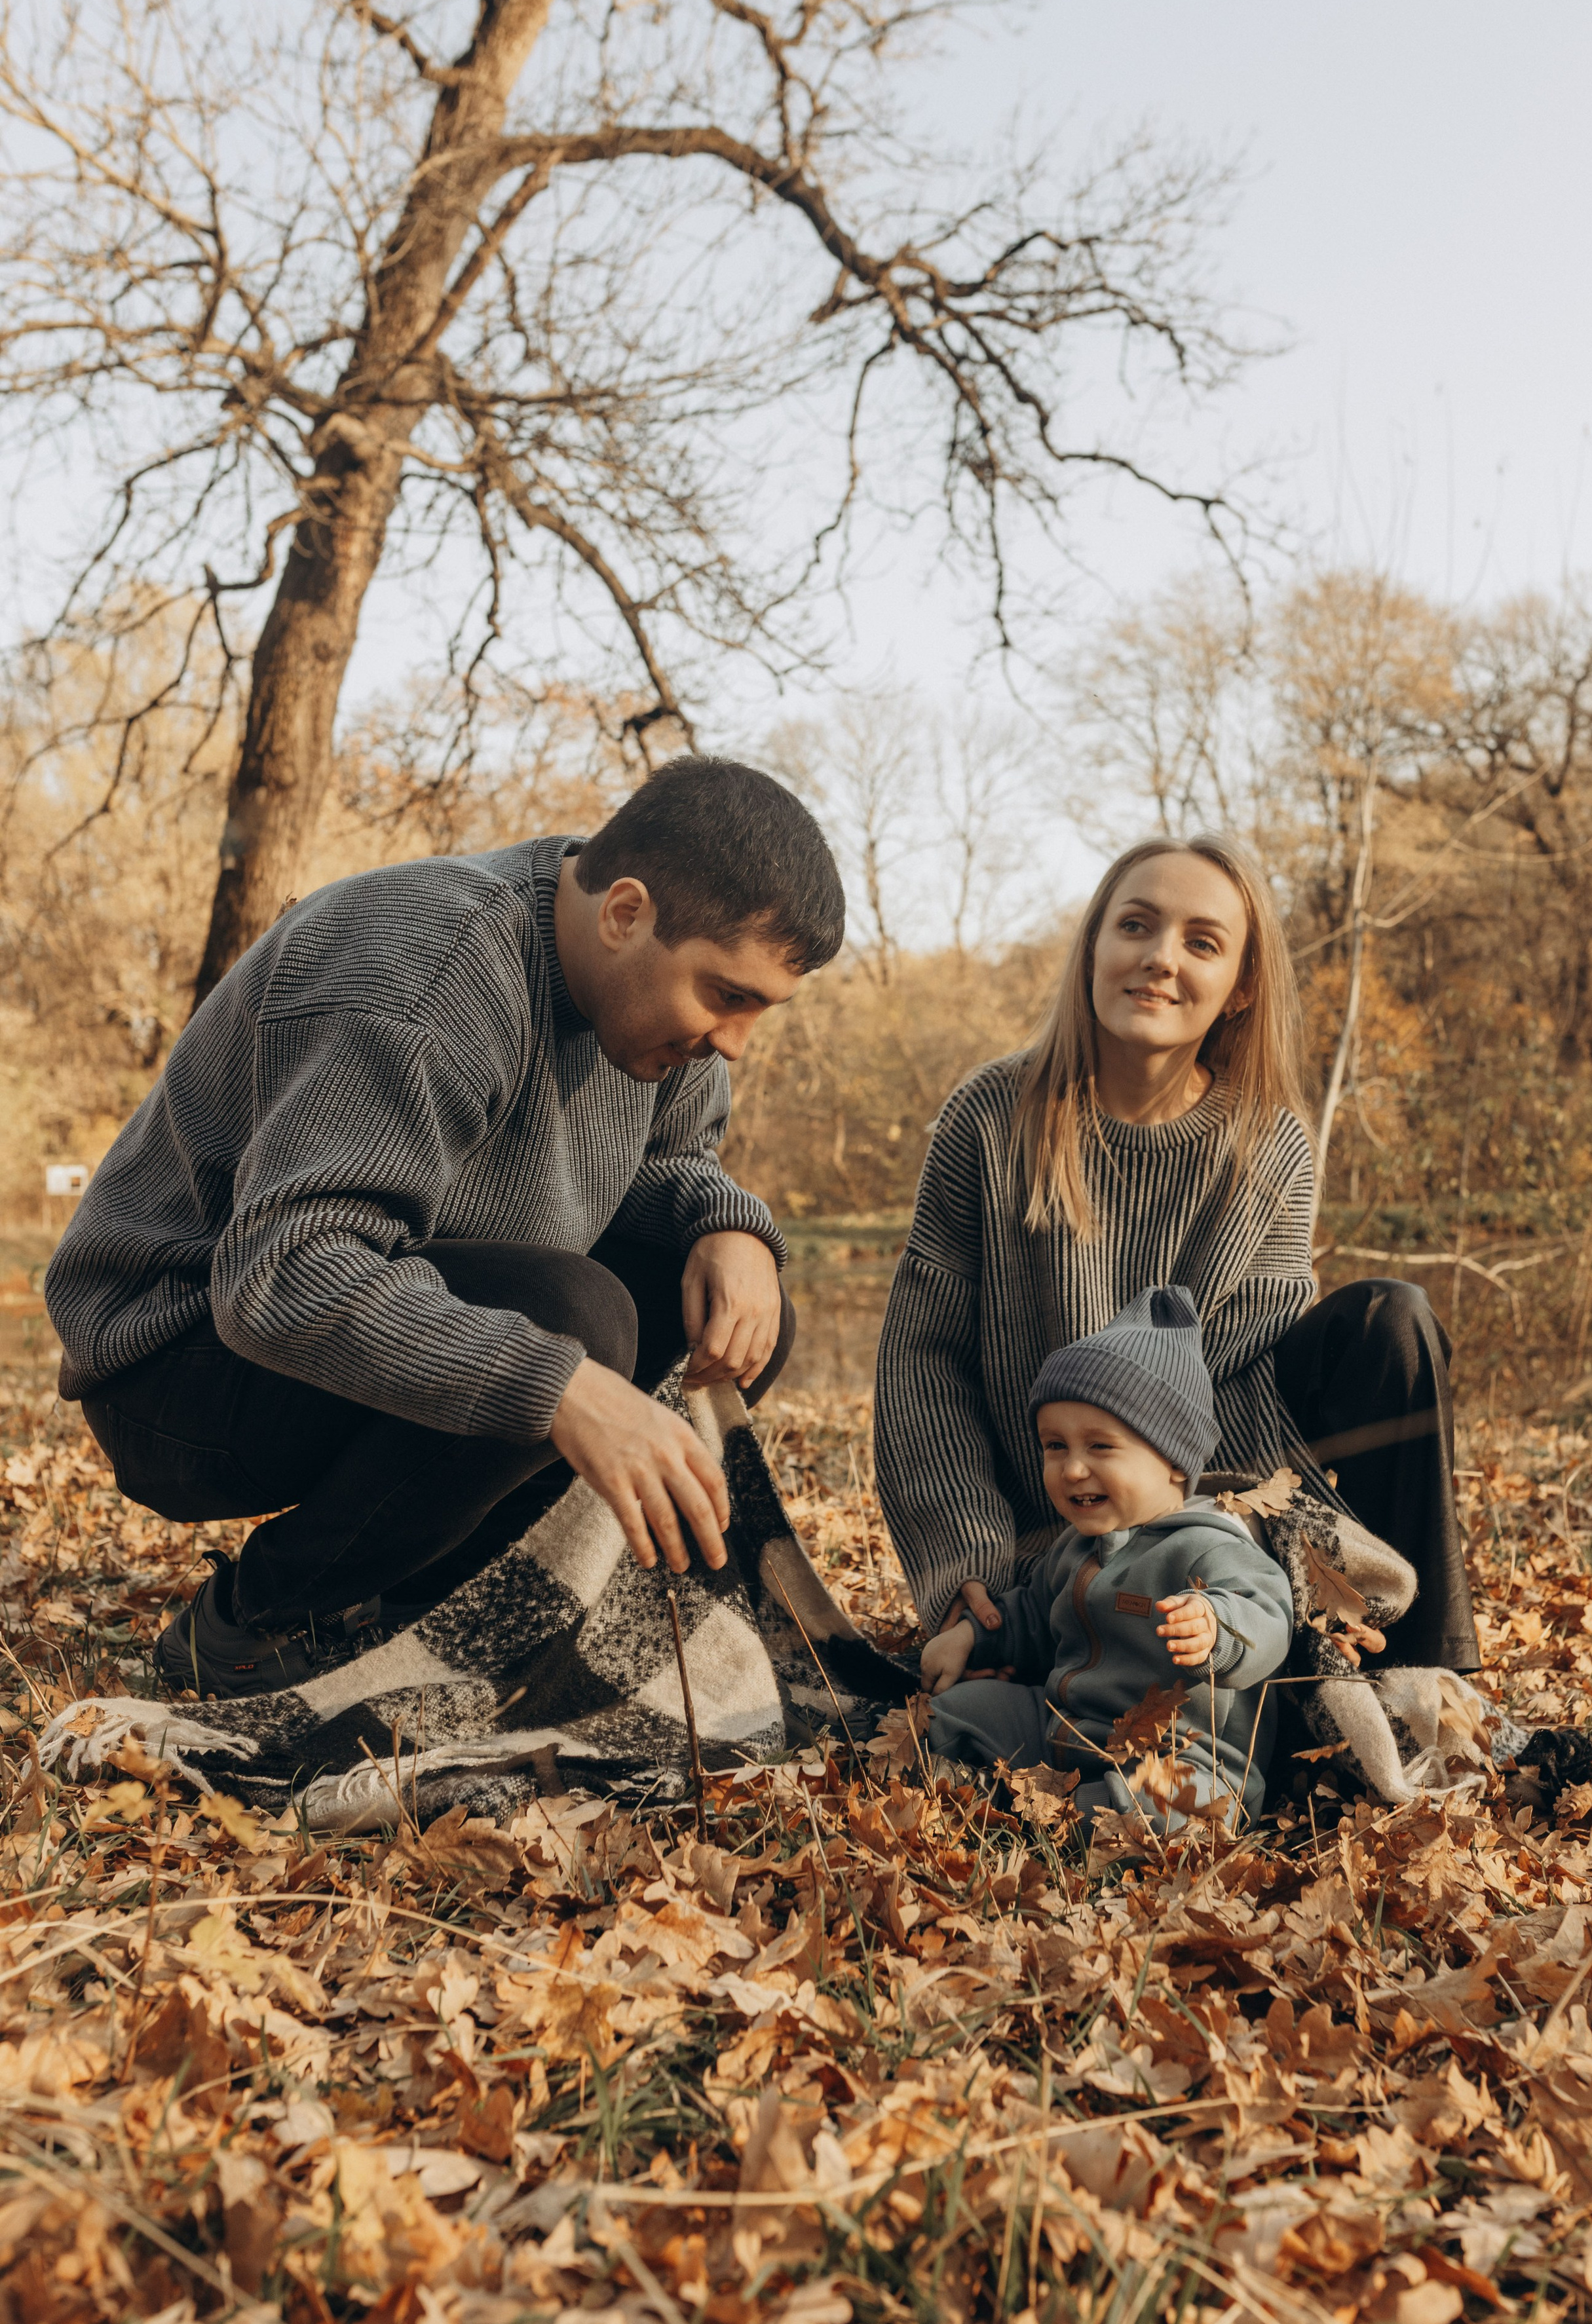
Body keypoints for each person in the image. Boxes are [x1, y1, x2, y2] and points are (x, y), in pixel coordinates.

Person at [47, 756, 844, 1696]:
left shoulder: (654, 1018)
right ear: (625, 914)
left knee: (729, 1306)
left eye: (761, 1008)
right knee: (572, 1318)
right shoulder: (428, 969)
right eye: (727, 994)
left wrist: (728, 1225)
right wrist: (559, 1387)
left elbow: (662, 1166)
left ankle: (432, 1605)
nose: (735, 1041)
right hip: (176, 1365)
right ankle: (261, 1616)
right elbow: (282, 1277)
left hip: (355, 1313)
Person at [875, 833, 1477, 1679]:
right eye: (1136, 926)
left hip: (1215, 1515)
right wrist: (966, 1562)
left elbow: (1245, 1385)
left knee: (1394, 1318)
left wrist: (1259, 1559)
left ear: (1240, 990)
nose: (1160, 958)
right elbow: (923, 1363)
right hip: (1054, 1514)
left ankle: (1429, 1681)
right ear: (1093, 948)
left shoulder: (1273, 1145)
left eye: (1202, 942)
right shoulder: (991, 1117)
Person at [919, 1286, 1295, 1830]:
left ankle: (1069, 1818)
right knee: (959, 1711)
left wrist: (1219, 1626)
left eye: (1100, 1446)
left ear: (1173, 1460)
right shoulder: (1074, 1548)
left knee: (1181, 1804)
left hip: (1180, 1753)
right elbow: (1030, 1614)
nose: (1073, 1469)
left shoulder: (1211, 1544)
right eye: (1055, 1446)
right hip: (1066, 1729)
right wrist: (972, 1637)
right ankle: (982, 1788)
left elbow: (1270, 1614)